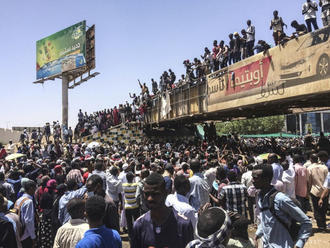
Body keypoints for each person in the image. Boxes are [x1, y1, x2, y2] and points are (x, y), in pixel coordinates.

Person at [253, 164, 312, 248]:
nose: (252, 180)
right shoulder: (261, 198)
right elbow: (266, 221)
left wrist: (299, 244)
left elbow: (306, 222)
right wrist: (257, 235)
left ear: (266, 179)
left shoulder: (280, 199)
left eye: (255, 178)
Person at [131, 173, 193, 248]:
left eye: (155, 194)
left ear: (165, 193)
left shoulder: (183, 225)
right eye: (147, 194)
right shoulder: (139, 225)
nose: (149, 198)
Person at [307, 153, 329, 231]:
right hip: (325, 191)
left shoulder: (309, 168)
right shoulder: (325, 167)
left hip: (314, 191)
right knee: (324, 209)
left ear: (311, 159)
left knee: (316, 209)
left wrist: (308, 190)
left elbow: (309, 181)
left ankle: (320, 226)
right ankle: (323, 225)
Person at [14, 180, 37, 248]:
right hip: (26, 234)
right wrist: (33, 237)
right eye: (34, 188)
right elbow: (28, 221)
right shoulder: (29, 201)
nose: (35, 191)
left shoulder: (19, 200)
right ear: (31, 189)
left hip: (19, 232)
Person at [122, 172, 139, 244]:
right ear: (132, 178)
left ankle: (130, 237)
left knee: (129, 223)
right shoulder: (136, 185)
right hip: (135, 205)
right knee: (136, 221)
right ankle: (137, 235)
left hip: (127, 206)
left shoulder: (123, 185)